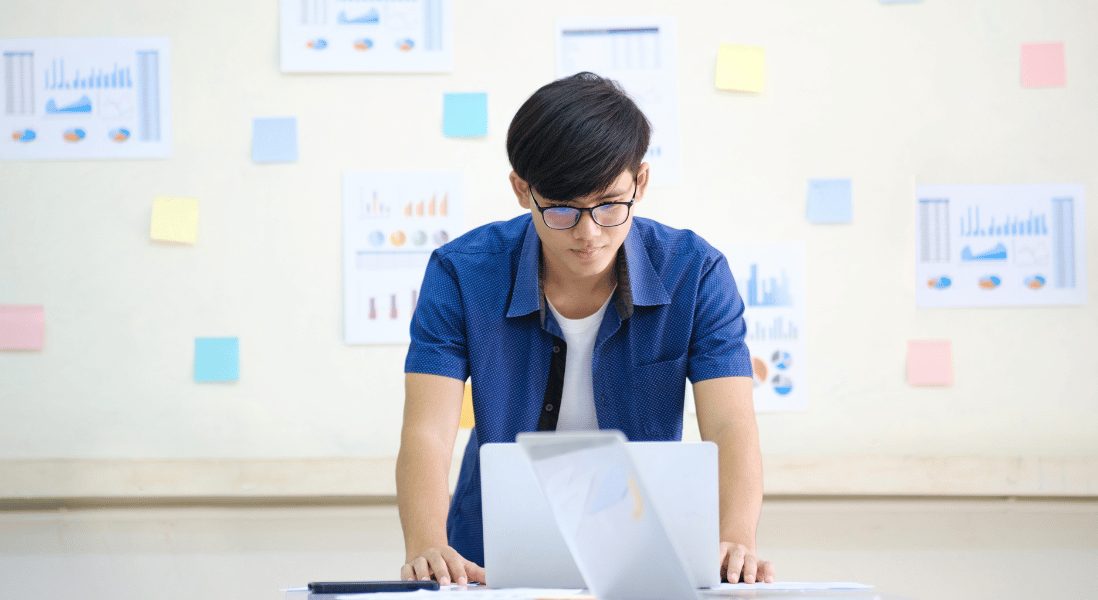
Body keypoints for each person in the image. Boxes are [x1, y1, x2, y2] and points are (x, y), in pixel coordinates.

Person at [396, 72, 775, 587]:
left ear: (640, 183)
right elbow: (428, 429)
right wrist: (426, 545)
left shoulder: (696, 273)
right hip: (485, 549)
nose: (588, 234)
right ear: (522, 190)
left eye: (609, 205)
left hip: (642, 541)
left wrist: (736, 537)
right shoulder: (462, 272)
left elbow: (731, 424)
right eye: (561, 210)